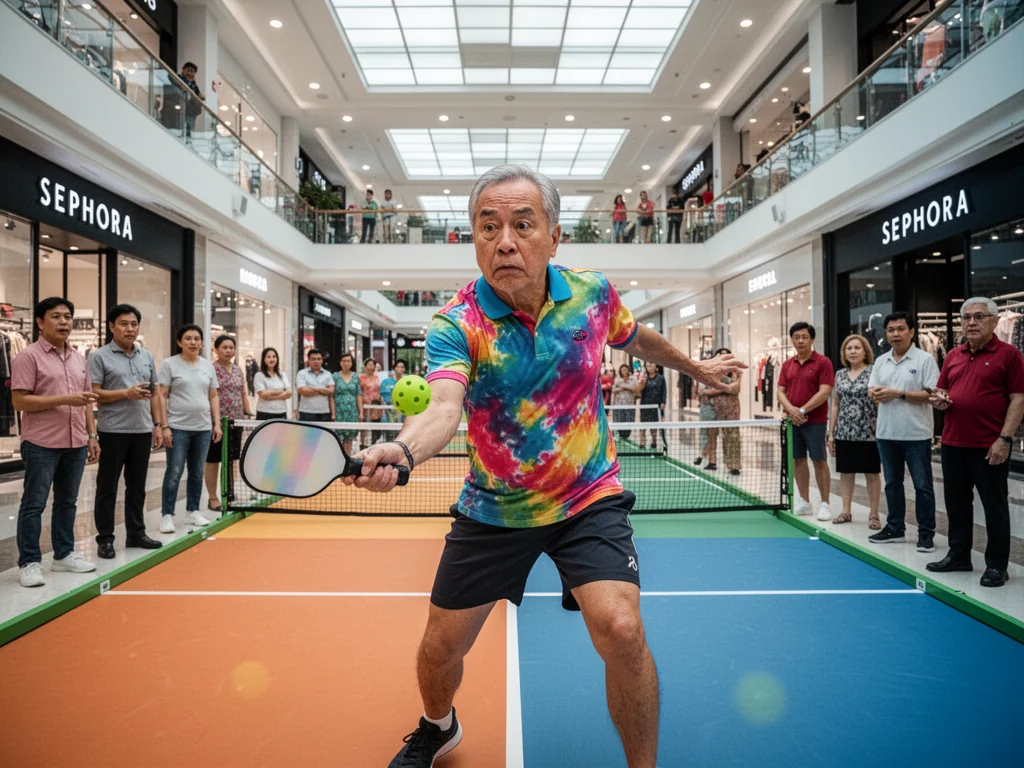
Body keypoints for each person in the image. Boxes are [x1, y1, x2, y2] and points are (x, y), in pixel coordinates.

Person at [344, 165, 744, 767]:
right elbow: (444, 406)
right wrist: (401, 451)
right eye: (488, 227)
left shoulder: (591, 295)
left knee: (622, 630)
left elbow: (636, 338)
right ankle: (438, 725)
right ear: (474, 239)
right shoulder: (456, 324)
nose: (505, 240)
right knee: (440, 648)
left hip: (588, 498)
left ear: (553, 236)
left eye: (522, 224)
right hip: (493, 506)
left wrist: (697, 369)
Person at [928, 298, 1024, 587]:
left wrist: (1004, 439)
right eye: (966, 317)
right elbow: (941, 390)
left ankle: (997, 564)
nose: (971, 322)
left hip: (989, 444)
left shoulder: (1009, 355)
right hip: (953, 442)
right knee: (956, 503)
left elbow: (1018, 400)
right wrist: (938, 400)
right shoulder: (954, 355)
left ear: (994, 322)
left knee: (994, 505)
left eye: (979, 316)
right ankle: (959, 554)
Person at [13, 297, 100, 587]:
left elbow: (87, 400)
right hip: (41, 443)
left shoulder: (78, 358)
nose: (64, 322)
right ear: (40, 322)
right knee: (34, 503)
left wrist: (91, 435)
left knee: (68, 501)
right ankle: (29, 562)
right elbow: (19, 400)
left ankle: (63, 554)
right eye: (56, 316)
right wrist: (65, 399)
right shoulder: (28, 356)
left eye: (67, 317)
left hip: (75, 441)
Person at [89, 303, 164, 559]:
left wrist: (157, 425)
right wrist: (126, 393)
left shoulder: (146, 356)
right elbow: (94, 393)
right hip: (113, 431)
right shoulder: (99, 356)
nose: (130, 329)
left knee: (137, 486)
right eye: (124, 323)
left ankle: (136, 533)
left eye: (134, 324)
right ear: (112, 326)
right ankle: (105, 539)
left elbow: (154, 393)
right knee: (107, 487)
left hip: (142, 431)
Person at [866, 312, 939, 552]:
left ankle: (926, 534)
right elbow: (872, 390)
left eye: (900, 329)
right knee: (892, 484)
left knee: (922, 486)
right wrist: (876, 393)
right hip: (886, 434)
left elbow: (932, 395)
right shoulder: (880, 361)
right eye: (890, 330)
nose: (895, 334)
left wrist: (899, 394)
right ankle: (895, 527)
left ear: (911, 332)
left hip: (917, 435)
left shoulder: (925, 360)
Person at [158, 325, 221, 534]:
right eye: (188, 338)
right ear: (179, 342)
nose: (193, 342)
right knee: (174, 472)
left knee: (197, 472)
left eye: (197, 338)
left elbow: (213, 396)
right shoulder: (169, 364)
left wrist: (216, 424)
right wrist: (164, 426)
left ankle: (193, 511)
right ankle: (167, 515)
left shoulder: (207, 366)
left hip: (202, 428)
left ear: (202, 342)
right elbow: (162, 396)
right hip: (177, 428)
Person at [777, 322, 835, 521]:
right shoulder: (787, 364)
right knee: (798, 460)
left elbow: (825, 391)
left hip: (815, 421)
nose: (800, 340)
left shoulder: (823, 362)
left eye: (804, 337)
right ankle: (805, 501)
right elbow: (780, 391)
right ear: (791, 339)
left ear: (812, 339)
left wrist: (801, 410)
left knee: (819, 461)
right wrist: (791, 410)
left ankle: (825, 503)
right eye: (796, 337)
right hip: (794, 422)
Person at [827, 334, 881, 528]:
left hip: (869, 432)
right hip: (845, 432)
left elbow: (880, 401)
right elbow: (836, 405)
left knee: (872, 473)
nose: (853, 351)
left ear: (865, 351)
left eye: (857, 348)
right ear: (844, 353)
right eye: (849, 348)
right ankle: (846, 511)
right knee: (846, 472)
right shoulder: (840, 375)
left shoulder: (874, 372)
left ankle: (874, 514)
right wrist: (831, 433)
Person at [204, 335, 252, 514]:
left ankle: (230, 492)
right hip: (216, 422)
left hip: (235, 421)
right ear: (216, 349)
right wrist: (215, 421)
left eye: (231, 347)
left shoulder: (238, 369)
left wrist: (247, 413)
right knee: (213, 459)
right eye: (224, 347)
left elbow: (243, 393)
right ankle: (212, 497)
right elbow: (210, 394)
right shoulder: (211, 368)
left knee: (232, 458)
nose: (229, 350)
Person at [695, 348, 741, 473]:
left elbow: (736, 388)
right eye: (721, 355)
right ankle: (712, 462)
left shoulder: (736, 371)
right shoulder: (711, 372)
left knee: (732, 437)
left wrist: (718, 389)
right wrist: (725, 388)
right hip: (714, 408)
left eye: (727, 355)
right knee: (711, 435)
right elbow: (703, 392)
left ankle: (733, 466)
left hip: (732, 409)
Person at [252, 347, 292, 420]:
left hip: (281, 411)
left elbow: (289, 393)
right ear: (264, 359)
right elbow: (263, 395)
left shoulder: (282, 374)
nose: (272, 359)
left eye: (274, 357)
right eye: (268, 357)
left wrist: (270, 394)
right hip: (264, 412)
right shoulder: (259, 375)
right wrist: (280, 392)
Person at [295, 349, 335, 421]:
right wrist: (323, 390)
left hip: (324, 412)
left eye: (319, 359)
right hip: (306, 411)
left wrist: (312, 388)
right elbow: (303, 391)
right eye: (313, 359)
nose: (316, 361)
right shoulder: (302, 373)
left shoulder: (328, 374)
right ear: (309, 360)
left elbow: (331, 391)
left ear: (322, 360)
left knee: (324, 432)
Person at [333, 352, 361, 455]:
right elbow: (331, 396)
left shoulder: (355, 377)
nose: (346, 363)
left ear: (352, 363)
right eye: (343, 361)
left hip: (352, 411)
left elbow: (358, 394)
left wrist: (360, 411)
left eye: (348, 361)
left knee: (349, 437)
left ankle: (347, 457)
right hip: (339, 411)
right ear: (340, 363)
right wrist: (333, 413)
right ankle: (339, 457)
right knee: (339, 437)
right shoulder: (335, 376)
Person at [638, 362, 666, 449]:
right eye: (648, 366)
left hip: (656, 406)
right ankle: (642, 443)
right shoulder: (644, 378)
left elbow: (664, 391)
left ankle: (654, 443)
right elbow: (639, 391)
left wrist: (663, 402)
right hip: (645, 404)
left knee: (654, 426)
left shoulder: (661, 378)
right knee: (643, 425)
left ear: (655, 366)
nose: (649, 367)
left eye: (651, 365)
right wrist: (642, 382)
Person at [611, 363, 640, 439]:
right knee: (620, 421)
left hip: (630, 405)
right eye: (622, 370)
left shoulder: (633, 379)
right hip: (619, 405)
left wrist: (624, 387)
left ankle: (626, 436)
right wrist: (622, 388)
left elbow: (635, 389)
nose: (624, 371)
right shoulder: (617, 379)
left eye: (625, 370)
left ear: (628, 370)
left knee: (629, 422)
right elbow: (613, 390)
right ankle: (621, 436)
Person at [178, 61, 205, 142]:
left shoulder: (194, 84)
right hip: (180, 107)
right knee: (181, 125)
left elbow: (199, 94)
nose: (190, 73)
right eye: (188, 70)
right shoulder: (178, 78)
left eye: (192, 72)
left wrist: (200, 97)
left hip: (191, 109)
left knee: (190, 125)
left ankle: (189, 140)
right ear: (183, 70)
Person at [359, 356, 382, 449]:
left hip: (375, 405)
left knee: (375, 425)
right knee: (363, 425)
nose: (370, 367)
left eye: (372, 365)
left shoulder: (377, 377)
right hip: (364, 404)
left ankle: (373, 444)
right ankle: (362, 444)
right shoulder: (361, 377)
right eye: (368, 364)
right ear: (365, 366)